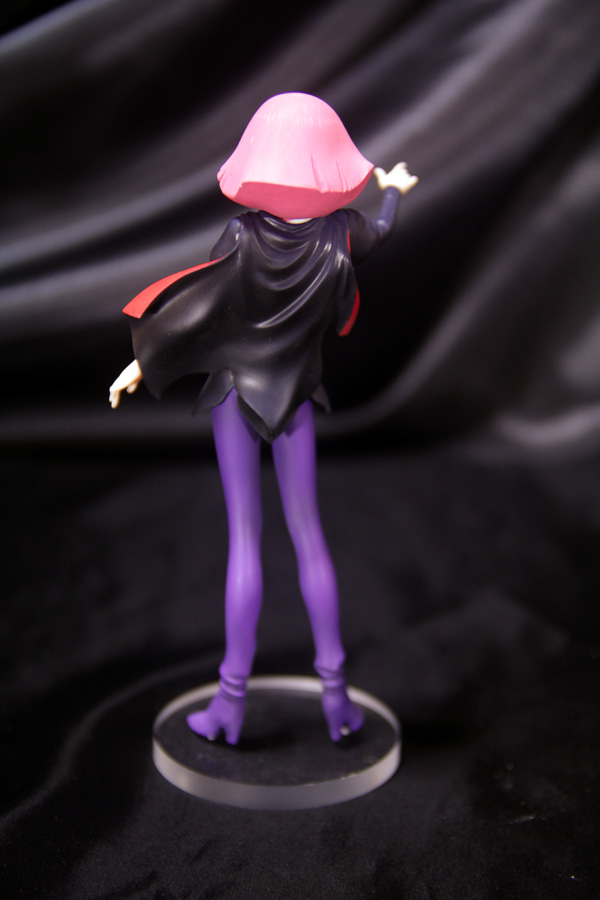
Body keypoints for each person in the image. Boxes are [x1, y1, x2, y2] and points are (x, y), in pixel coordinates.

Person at [110, 93, 417, 744]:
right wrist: (391, 190)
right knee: (310, 538)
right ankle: (337, 698)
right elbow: (384, 230)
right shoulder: (343, 232)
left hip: (234, 398)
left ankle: (230, 703)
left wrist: (144, 359)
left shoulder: (243, 234)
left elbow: (200, 304)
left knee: (244, 540)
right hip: (297, 396)